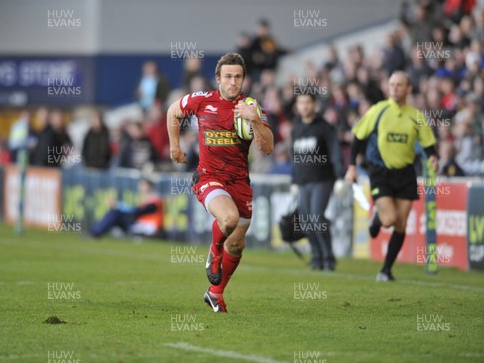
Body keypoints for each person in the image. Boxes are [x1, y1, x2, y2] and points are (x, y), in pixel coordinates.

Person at [166, 52, 274, 313]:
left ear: (244, 79)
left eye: (238, 77)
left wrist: (255, 120)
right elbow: (173, 110)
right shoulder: (202, 100)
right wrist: (175, 147)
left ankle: (215, 293)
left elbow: (268, 147)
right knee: (228, 219)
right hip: (209, 177)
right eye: (228, 77)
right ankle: (214, 252)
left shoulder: (251, 108)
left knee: (236, 244)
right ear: (218, 79)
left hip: (239, 181)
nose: (233, 82)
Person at [345, 71, 439, 282]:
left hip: (405, 172)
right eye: (392, 84)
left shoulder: (416, 116)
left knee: (401, 224)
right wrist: (351, 165)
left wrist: (433, 157)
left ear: (408, 89)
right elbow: (358, 137)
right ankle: (378, 216)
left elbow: (428, 143)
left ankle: (386, 270)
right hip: (380, 171)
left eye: (399, 85)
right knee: (389, 219)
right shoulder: (378, 110)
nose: (395, 88)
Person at [291, 93, 344, 271]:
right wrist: (293, 181)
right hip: (303, 182)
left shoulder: (325, 128)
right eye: (301, 103)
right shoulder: (296, 129)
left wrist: (340, 177)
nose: (304, 106)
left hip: (323, 179)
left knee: (316, 217)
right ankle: (316, 257)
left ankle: (328, 257)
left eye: (307, 102)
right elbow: (295, 158)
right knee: (306, 222)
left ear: (314, 104)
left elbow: (336, 152)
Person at [89, 179, 163, 238]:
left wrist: (118, 205)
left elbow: (136, 211)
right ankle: (95, 231)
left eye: (142, 185)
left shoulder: (155, 200)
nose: (140, 188)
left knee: (116, 213)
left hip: (148, 226)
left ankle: (96, 232)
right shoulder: (146, 199)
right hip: (140, 223)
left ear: (148, 186)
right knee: (114, 213)